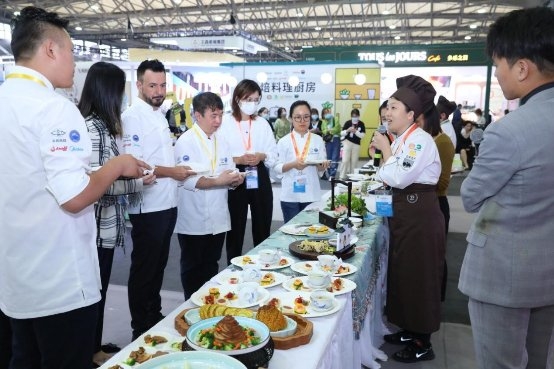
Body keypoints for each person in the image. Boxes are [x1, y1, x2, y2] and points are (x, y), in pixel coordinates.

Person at [0, 7, 148, 369]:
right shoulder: (54, 109)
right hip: (60, 279)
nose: (74, 61)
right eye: (71, 50)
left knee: (24, 359)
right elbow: (73, 197)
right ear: (51, 49)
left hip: (17, 276)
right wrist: (116, 166)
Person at [458, 7, 554, 369]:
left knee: (500, 362)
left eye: (498, 64)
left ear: (522, 67)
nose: (497, 74)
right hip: (547, 270)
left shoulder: (509, 130)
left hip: (503, 275)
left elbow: (470, 196)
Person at [77, 61, 157, 366]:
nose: (121, 98)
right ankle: (90, 351)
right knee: (94, 295)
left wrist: (130, 173)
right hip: (97, 229)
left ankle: (93, 346)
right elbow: (97, 185)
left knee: (99, 292)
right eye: (119, 90)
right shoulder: (94, 129)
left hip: (106, 229)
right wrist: (137, 182)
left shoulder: (103, 127)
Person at [121, 59, 195, 340]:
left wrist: (177, 171)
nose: (159, 90)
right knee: (144, 267)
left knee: (158, 265)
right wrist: (173, 172)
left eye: (163, 85)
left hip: (167, 202)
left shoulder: (159, 114)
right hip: (147, 205)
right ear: (139, 85)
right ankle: (140, 326)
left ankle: (153, 314)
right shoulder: (132, 116)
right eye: (152, 85)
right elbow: (137, 163)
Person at [372, 75, 444, 363]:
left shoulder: (419, 141)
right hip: (406, 214)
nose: (387, 113)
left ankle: (422, 341)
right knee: (403, 273)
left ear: (411, 114)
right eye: (387, 107)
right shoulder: (404, 139)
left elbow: (398, 177)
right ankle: (408, 328)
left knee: (420, 276)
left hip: (420, 217)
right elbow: (386, 174)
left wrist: (386, 150)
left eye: (394, 108)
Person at [174, 92, 244, 299]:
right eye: (213, 116)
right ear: (198, 115)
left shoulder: (222, 141)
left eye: (221, 115)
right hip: (194, 219)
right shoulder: (185, 142)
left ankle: (208, 305)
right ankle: (190, 308)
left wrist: (234, 180)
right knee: (192, 268)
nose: (218, 121)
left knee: (211, 265)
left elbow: (229, 170)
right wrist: (217, 181)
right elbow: (186, 179)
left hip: (218, 217)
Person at [219, 79, 277, 264]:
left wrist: (261, 155)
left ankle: (264, 266)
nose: (252, 103)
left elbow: (273, 154)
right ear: (237, 99)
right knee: (235, 227)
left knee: (262, 224)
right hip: (235, 176)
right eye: (248, 99)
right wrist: (237, 159)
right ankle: (233, 269)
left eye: (256, 99)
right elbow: (218, 153)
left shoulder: (262, 123)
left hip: (258, 173)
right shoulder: (225, 123)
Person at [416, 105, 455, 302]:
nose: (415, 125)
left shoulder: (443, 142)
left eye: (418, 120)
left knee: (437, 254)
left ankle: (437, 298)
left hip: (437, 204)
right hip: (424, 204)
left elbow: (442, 182)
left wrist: (414, 180)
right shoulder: (425, 141)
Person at [274, 100, 330, 222]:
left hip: (311, 194)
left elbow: (320, 169)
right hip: (289, 195)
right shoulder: (283, 141)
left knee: (311, 232)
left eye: (306, 117)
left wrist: (322, 166)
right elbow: (277, 167)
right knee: (291, 232)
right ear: (291, 119)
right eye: (298, 117)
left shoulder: (318, 140)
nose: (302, 121)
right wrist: (293, 164)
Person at [339, 108, 366, 179]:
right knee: (345, 160)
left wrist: (355, 131)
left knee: (354, 161)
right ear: (351, 116)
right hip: (347, 142)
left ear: (359, 116)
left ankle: (352, 177)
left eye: (356, 116)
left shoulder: (361, 124)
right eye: (353, 116)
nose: (355, 118)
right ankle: (342, 176)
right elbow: (341, 133)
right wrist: (347, 130)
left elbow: (362, 135)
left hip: (356, 144)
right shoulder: (348, 123)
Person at [321, 105, 341, 178]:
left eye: (328, 112)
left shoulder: (335, 119)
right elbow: (323, 130)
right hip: (328, 141)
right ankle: (329, 173)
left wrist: (330, 131)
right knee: (328, 157)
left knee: (335, 157)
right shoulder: (323, 121)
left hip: (335, 139)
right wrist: (328, 131)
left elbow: (338, 129)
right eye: (325, 113)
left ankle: (333, 174)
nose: (327, 114)